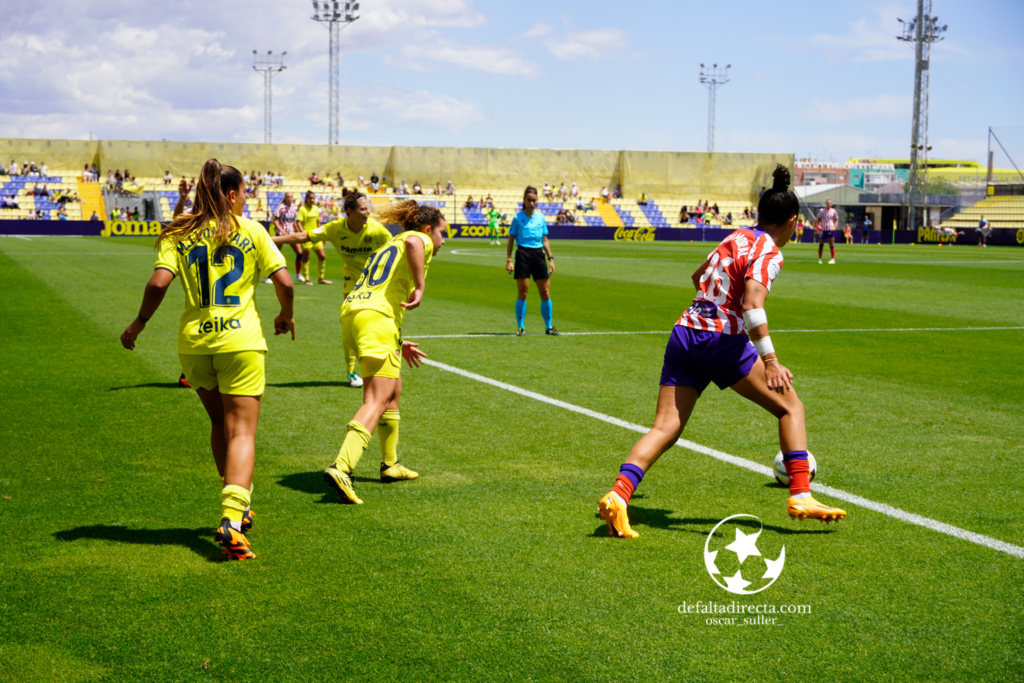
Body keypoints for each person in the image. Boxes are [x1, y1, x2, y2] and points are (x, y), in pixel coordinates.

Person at [597, 165, 847, 539]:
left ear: (759, 213)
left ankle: (618, 496)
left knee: (665, 427)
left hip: (685, 331)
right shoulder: (769, 251)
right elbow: (752, 305)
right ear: (793, 221)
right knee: (791, 407)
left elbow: (698, 278)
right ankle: (801, 495)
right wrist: (771, 360)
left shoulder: (737, 236)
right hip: (720, 340)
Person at [119, 159, 301, 560]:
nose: (247, 198)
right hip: (240, 341)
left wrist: (139, 323)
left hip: (193, 345)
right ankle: (232, 521)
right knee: (242, 432)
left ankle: (239, 504)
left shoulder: (177, 231)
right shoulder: (251, 230)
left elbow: (157, 283)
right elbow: (285, 282)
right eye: (245, 191)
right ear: (232, 194)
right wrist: (286, 314)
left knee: (220, 422)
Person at [323, 200, 447, 504]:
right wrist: (420, 286)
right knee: (377, 399)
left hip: (356, 316)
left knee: (393, 390)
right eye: (442, 233)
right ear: (429, 228)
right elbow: (418, 242)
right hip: (375, 320)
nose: (443, 240)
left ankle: (390, 465)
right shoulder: (417, 238)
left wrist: (397, 342)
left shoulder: (390, 242)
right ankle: (342, 467)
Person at [304, 191, 393, 388]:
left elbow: (396, 248)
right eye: (363, 209)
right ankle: (352, 372)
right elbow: (305, 235)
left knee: (379, 323)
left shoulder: (376, 230)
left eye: (368, 208)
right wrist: (269, 241)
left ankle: (383, 367)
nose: (368, 212)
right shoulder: (336, 228)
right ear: (350, 211)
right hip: (351, 280)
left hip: (375, 283)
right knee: (351, 324)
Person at [506, 186, 557, 336]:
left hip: (538, 255)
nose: (532, 203)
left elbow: (545, 240)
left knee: (546, 292)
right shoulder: (517, 218)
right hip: (522, 254)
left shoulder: (541, 218)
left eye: (534, 200)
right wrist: (509, 260)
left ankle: (549, 327)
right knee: (523, 291)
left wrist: (551, 259)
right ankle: (520, 327)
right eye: (529, 200)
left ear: (537, 201)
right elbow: (510, 240)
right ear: (524, 200)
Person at [296, 191, 331, 286]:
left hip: (316, 236)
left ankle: (321, 278)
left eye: (313, 198)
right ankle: (306, 279)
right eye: (310, 198)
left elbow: (318, 223)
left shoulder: (316, 208)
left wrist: (323, 235)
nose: (312, 200)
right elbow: (298, 223)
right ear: (306, 199)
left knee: (322, 256)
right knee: (306, 257)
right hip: (307, 237)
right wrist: (303, 234)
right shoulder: (302, 209)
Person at [272, 192, 307, 282]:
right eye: (288, 197)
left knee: (299, 253)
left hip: (291, 233)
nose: (289, 198)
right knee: (275, 254)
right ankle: (268, 276)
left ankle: (298, 275)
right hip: (281, 234)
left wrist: (299, 232)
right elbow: (274, 221)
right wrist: (282, 231)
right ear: (285, 198)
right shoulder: (281, 207)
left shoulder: (295, 207)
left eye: (291, 197)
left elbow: (294, 222)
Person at [816, 198, 838, 264]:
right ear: (826, 204)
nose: (829, 204)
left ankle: (832, 259)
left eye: (830, 203)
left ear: (832, 204)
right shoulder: (822, 210)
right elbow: (817, 219)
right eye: (828, 203)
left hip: (830, 229)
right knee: (821, 244)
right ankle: (820, 259)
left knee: (831, 244)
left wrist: (835, 227)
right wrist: (819, 226)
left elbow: (836, 219)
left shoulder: (834, 211)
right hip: (823, 229)